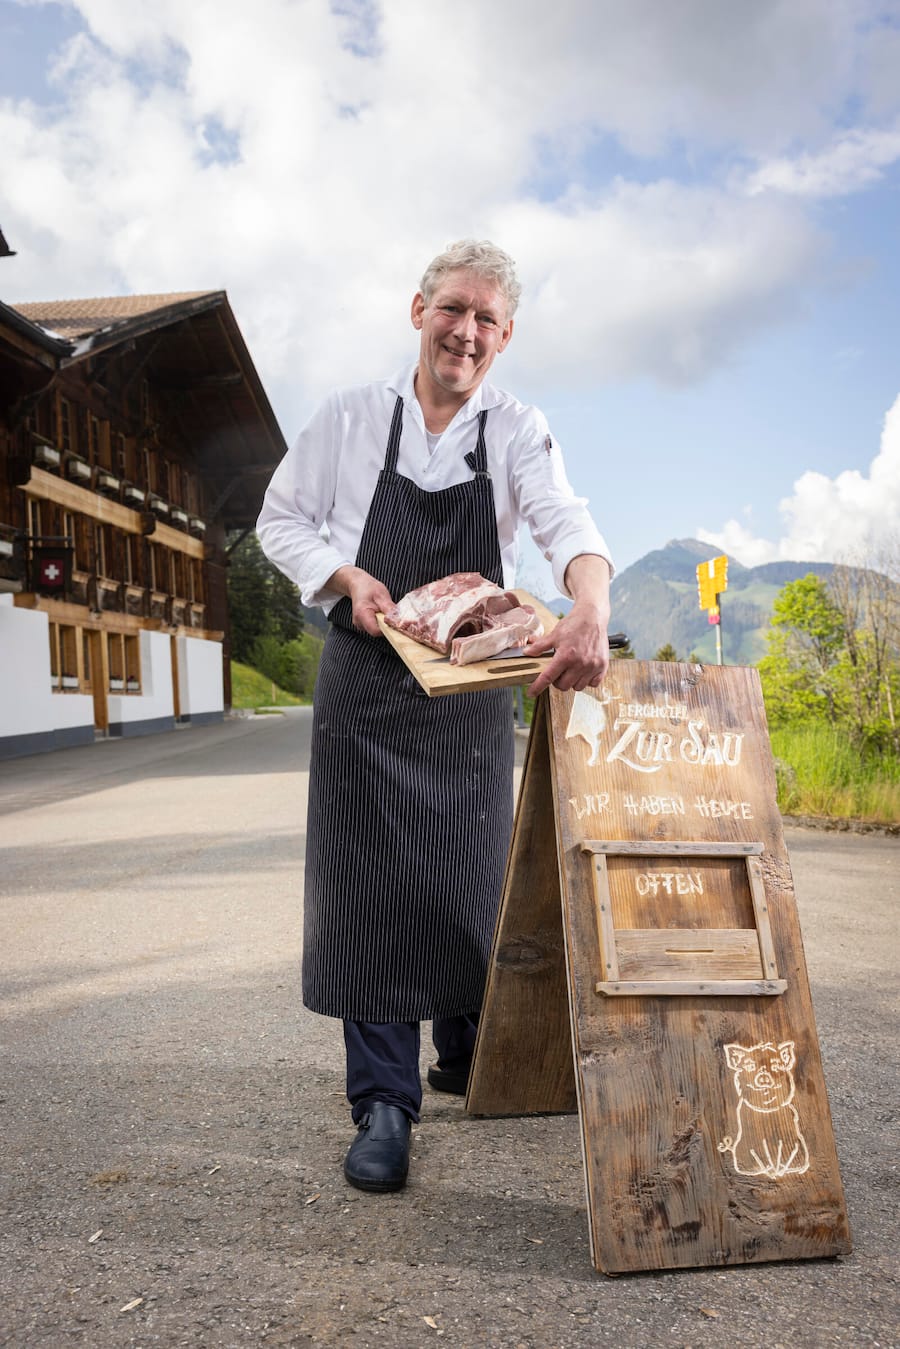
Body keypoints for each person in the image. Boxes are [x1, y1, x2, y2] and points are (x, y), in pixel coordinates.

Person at [257, 240, 614, 1193]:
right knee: (368, 892)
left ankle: (466, 1050)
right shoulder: (349, 417)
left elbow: (565, 522)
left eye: (487, 319)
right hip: (367, 685)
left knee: (467, 877)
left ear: (506, 336)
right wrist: (343, 575)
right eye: (453, 309)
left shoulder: (517, 428)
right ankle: (384, 1101)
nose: (466, 331)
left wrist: (590, 604)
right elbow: (279, 518)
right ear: (417, 311)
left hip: (464, 693)